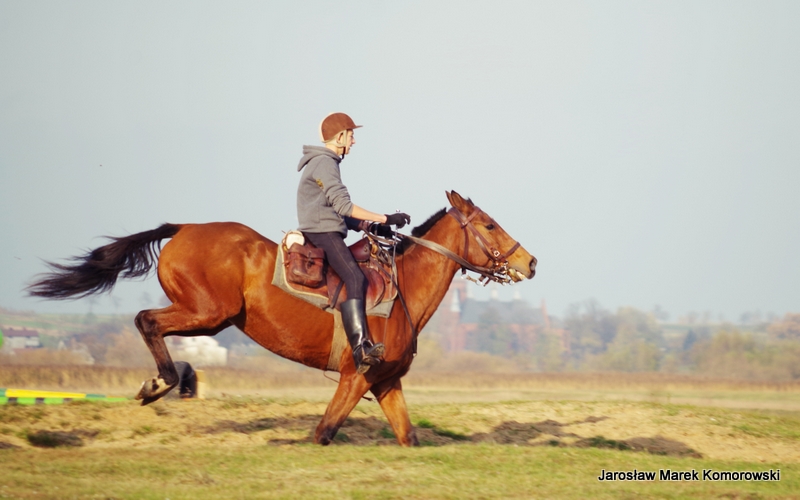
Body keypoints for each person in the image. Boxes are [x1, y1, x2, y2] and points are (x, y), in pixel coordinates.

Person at [296, 112, 411, 374]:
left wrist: (371, 226)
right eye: (351, 135)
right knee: (356, 278)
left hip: (326, 227)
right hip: (322, 232)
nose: (354, 141)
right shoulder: (325, 163)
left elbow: (336, 212)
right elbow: (344, 206)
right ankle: (360, 349)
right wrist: (385, 217)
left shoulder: (325, 162)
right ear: (339, 137)